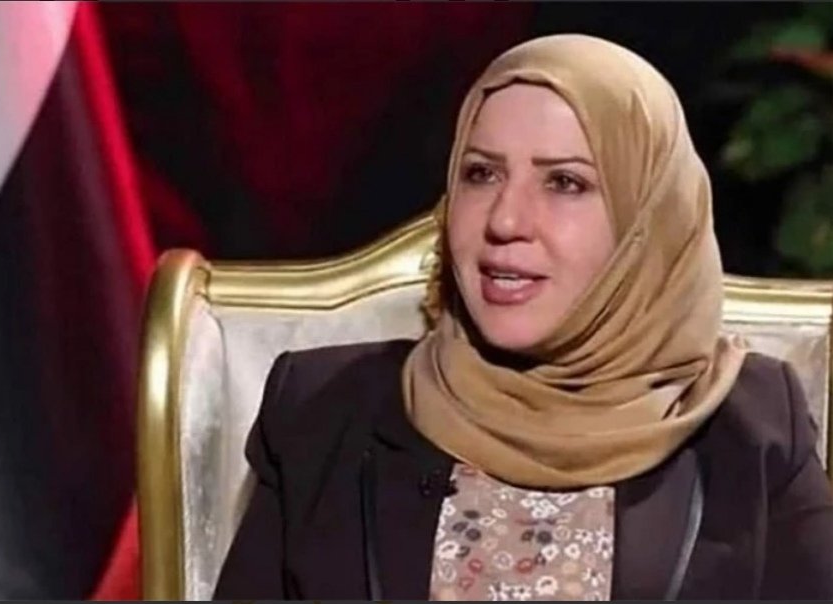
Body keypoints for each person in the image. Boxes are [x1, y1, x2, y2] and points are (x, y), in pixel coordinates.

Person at [212, 34, 833, 601]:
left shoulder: (754, 429)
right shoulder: (321, 412)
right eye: (481, 174)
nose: (505, 220)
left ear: (647, 222)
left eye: (564, 182)